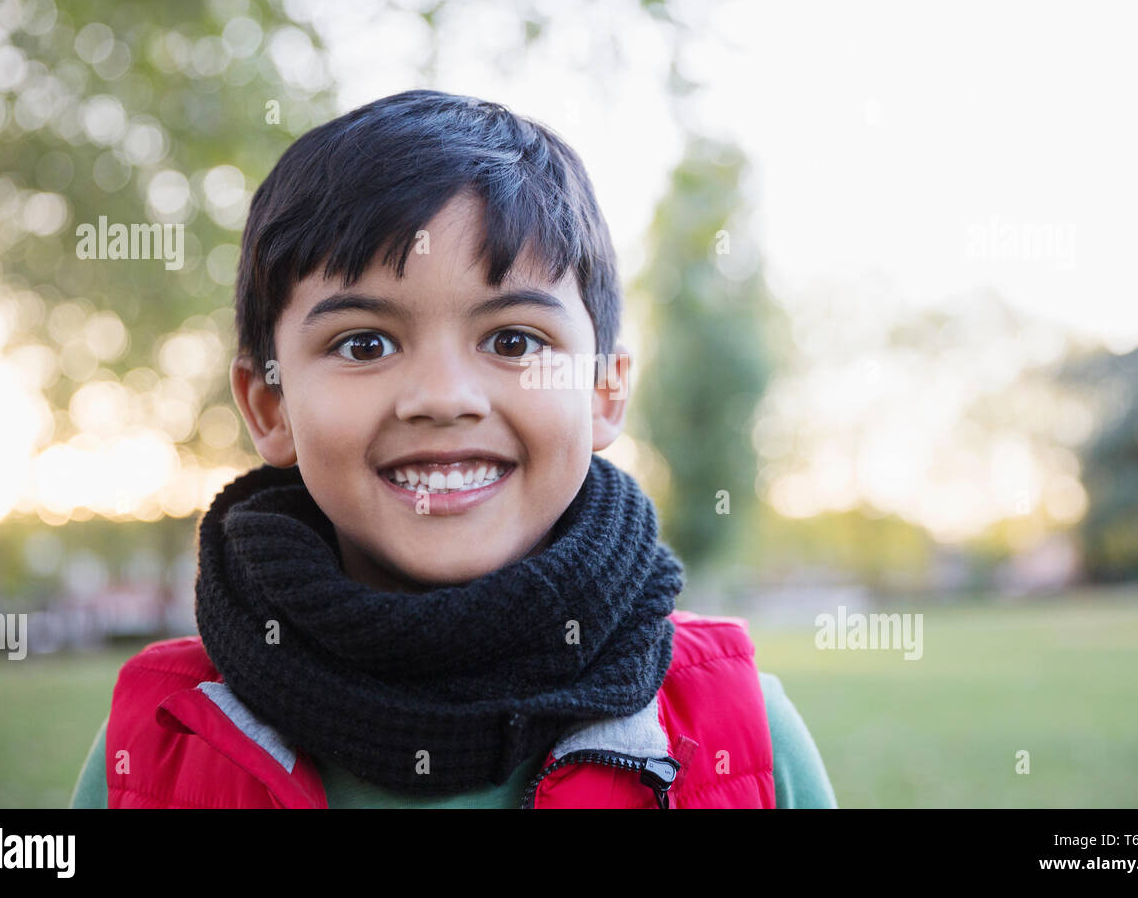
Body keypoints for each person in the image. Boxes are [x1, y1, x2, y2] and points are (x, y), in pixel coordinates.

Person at [70, 89, 836, 808]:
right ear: (270, 406)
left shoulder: (745, 736)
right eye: (365, 344)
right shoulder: (153, 751)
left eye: (512, 339)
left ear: (604, 391)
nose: (442, 396)